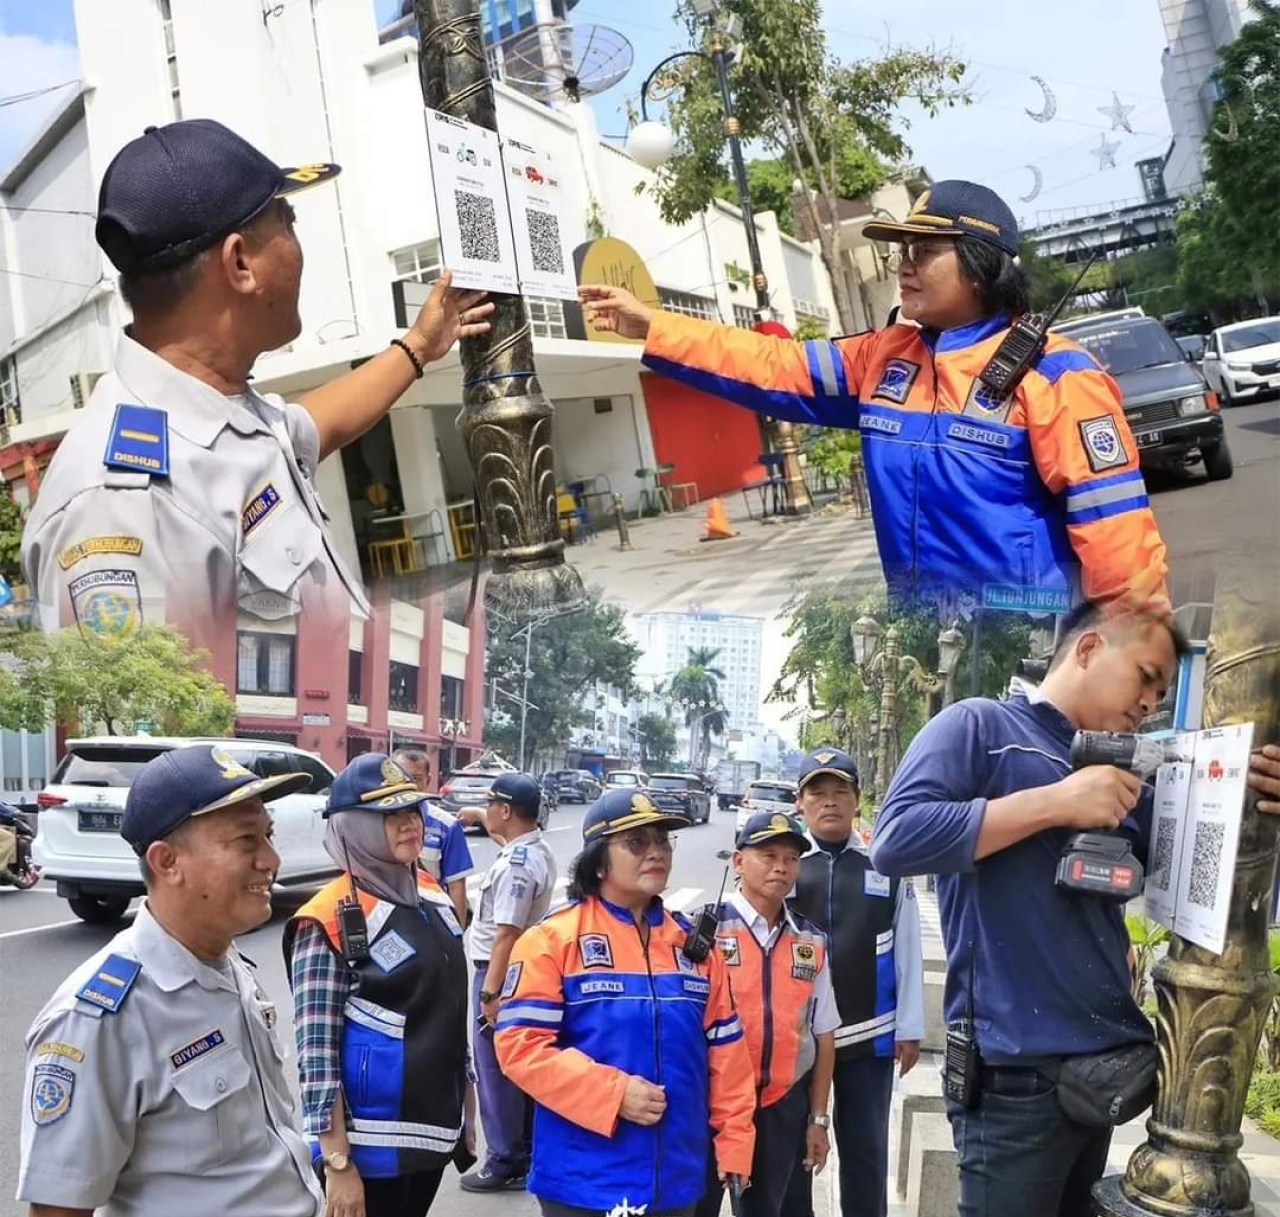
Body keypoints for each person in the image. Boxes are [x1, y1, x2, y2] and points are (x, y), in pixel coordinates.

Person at [871, 602, 1280, 1217]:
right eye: (1145, 678)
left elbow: (1199, 884)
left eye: (1161, 693)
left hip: (1095, 1086)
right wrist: (1058, 802)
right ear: (1088, 649)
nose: (1150, 703)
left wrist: (1253, 805)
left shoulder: (1134, 776)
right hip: (1009, 1087)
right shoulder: (980, 727)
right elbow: (896, 839)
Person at [580, 180, 1169, 614]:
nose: (903, 268)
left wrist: (1132, 667)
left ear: (981, 265)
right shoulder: (883, 357)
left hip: (1032, 650)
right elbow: (772, 363)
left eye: (923, 253)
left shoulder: (1058, 377)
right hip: (921, 647)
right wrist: (652, 326)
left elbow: (1119, 540)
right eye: (900, 253)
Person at [21, 118, 492, 637]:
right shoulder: (121, 504)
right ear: (240, 263)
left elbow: (314, 427)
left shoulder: (221, 412)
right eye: (287, 221)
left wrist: (420, 346)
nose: (297, 243)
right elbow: (150, 719)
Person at [17, 744, 321, 1217]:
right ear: (167, 862)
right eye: (246, 840)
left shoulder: (227, 963)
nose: (271, 859)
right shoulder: (101, 1016)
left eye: (268, 835)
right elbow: (58, 1213)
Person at [495, 788, 756, 1217]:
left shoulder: (694, 947)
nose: (656, 850)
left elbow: (727, 1050)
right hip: (583, 1180)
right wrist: (614, 1094)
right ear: (598, 864)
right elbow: (520, 1048)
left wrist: (735, 1140)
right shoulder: (551, 940)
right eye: (636, 843)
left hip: (672, 1176)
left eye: (662, 840)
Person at [283, 753, 471, 1217]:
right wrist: (337, 1162)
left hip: (429, 1136)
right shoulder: (325, 920)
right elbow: (315, 1054)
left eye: (413, 809)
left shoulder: (429, 894)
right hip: (367, 1151)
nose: (410, 822)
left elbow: (448, 1006)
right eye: (391, 815)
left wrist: (469, 1107)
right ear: (355, 827)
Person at [778, 748, 924, 1217]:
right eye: (817, 792)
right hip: (799, 1039)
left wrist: (909, 1028)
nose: (829, 802)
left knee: (866, 1146)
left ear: (859, 800)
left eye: (840, 791)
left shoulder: (886, 867)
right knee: (794, 1140)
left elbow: (906, 948)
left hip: (870, 1033)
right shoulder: (788, 866)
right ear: (800, 802)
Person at [688, 812, 838, 1217]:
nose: (781, 868)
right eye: (768, 856)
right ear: (738, 860)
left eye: (791, 859)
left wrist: (817, 1118)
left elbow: (824, 1033)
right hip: (707, 1109)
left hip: (778, 1106)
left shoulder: (811, 941)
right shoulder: (703, 933)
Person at [458, 771, 557, 1192]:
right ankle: (526, 1151)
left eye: (492, 806)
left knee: (494, 1069)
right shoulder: (530, 847)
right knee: (518, 1066)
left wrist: (490, 993)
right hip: (521, 972)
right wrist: (479, 816)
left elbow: (507, 933)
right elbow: (505, 838)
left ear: (506, 811)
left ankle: (505, 1160)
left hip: (500, 972)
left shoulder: (518, 866)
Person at [391, 746, 474, 923]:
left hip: (431, 920)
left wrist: (455, 940)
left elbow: (456, 886)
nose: (407, 784)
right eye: (400, 777)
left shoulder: (447, 826)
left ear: (428, 781)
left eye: (415, 778)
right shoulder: (375, 820)